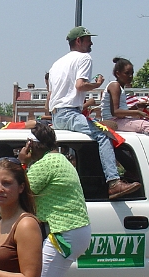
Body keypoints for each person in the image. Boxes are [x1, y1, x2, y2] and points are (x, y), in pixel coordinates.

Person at [18, 121, 92, 277]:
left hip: (64, 233)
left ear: (33, 145)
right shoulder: (57, 159)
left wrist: (22, 162)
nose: (23, 148)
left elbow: (21, 192)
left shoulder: (45, 164)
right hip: (71, 231)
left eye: (25, 144)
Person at [47, 27, 139, 199]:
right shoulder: (84, 58)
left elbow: (52, 96)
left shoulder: (56, 64)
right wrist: (97, 84)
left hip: (57, 115)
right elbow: (80, 85)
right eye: (88, 39)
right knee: (103, 135)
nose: (91, 43)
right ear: (79, 41)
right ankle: (113, 182)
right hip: (70, 114)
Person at [100, 57, 149, 137]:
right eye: (127, 73)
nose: (130, 76)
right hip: (113, 122)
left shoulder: (119, 87)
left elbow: (122, 112)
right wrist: (137, 112)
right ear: (118, 74)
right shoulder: (115, 85)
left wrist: (137, 106)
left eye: (132, 73)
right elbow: (116, 112)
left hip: (119, 120)